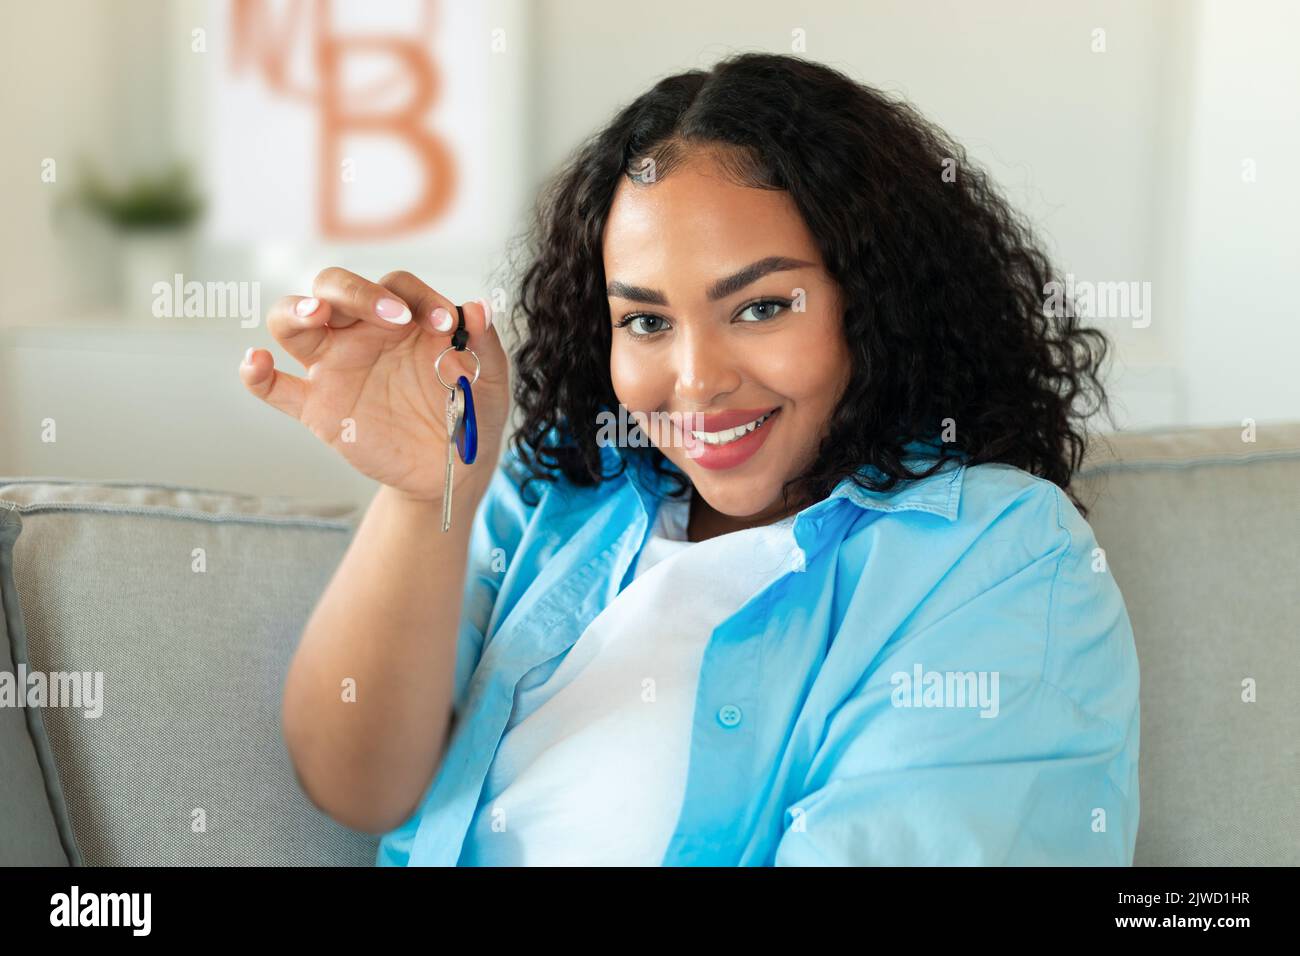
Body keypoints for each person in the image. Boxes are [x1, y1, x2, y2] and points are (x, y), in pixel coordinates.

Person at [239, 52, 1139, 866]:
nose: (697, 381)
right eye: (646, 321)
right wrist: (421, 495)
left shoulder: (999, 553)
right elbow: (357, 788)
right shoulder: (560, 495)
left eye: (761, 307)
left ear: (876, 302)